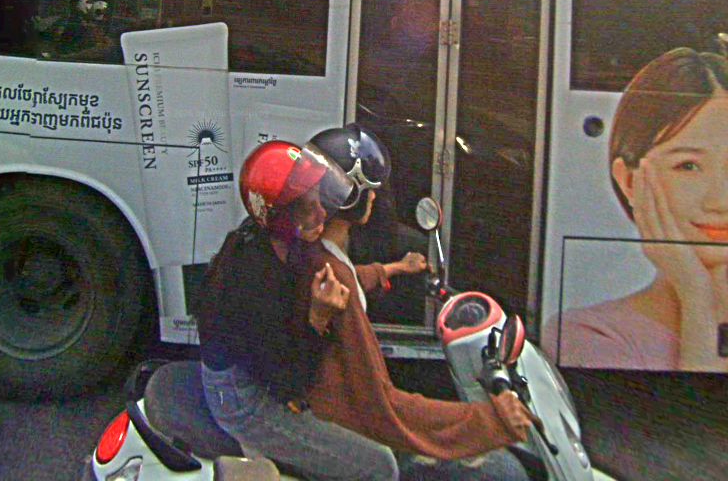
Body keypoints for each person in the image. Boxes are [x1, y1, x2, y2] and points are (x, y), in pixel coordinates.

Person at [303, 124, 533, 481]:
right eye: (369, 190)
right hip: (343, 419)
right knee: (505, 472)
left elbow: (352, 275)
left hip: (328, 405)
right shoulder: (335, 278)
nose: (375, 198)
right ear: (351, 197)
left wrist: (397, 268)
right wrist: (491, 419)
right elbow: (383, 403)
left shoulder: (318, 253)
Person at [195, 140, 401, 481]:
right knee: (379, 466)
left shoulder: (276, 243)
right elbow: (289, 381)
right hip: (243, 399)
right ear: (280, 219)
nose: (321, 213)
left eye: (319, 199)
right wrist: (318, 318)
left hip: (267, 371)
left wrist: (392, 269)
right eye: (307, 208)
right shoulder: (255, 280)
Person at [550, 46, 728, 372]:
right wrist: (696, 296)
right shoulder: (588, 335)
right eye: (688, 166)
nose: (720, 201)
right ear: (629, 181)